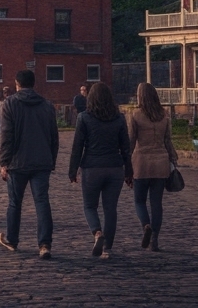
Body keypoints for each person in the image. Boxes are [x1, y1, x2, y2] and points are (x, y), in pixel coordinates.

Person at [0, 68, 59, 260]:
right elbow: (53, 136)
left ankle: (12, 239)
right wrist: (52, 160)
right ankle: (44, 244)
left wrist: (4, 161)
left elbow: (6, 135)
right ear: (34, 84)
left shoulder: (10, 104)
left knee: (15, 203)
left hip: (18, 162)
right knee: (42, 201)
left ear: (17, 84)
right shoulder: (47, 105)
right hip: (42, 161)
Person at [69, 82, 132, 260]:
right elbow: (126, 148)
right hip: (115, 167)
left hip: (92, 167)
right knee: (110, 208)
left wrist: (72, 170)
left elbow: (77, 147)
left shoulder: (84, 118)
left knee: (90, 206)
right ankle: (108, 246)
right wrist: (129, 172)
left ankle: (97, 232)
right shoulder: (119, 118)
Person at [130, 83, 178, 252]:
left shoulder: (136, 115)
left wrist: (126, 165)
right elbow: (168, 140)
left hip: (141, 162)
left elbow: (131, 141)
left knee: (139, 201)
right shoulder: (163, 115)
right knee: (156, 203)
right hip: (161, 162)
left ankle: (146, 225)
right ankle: (155, 238)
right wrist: (173, 159)